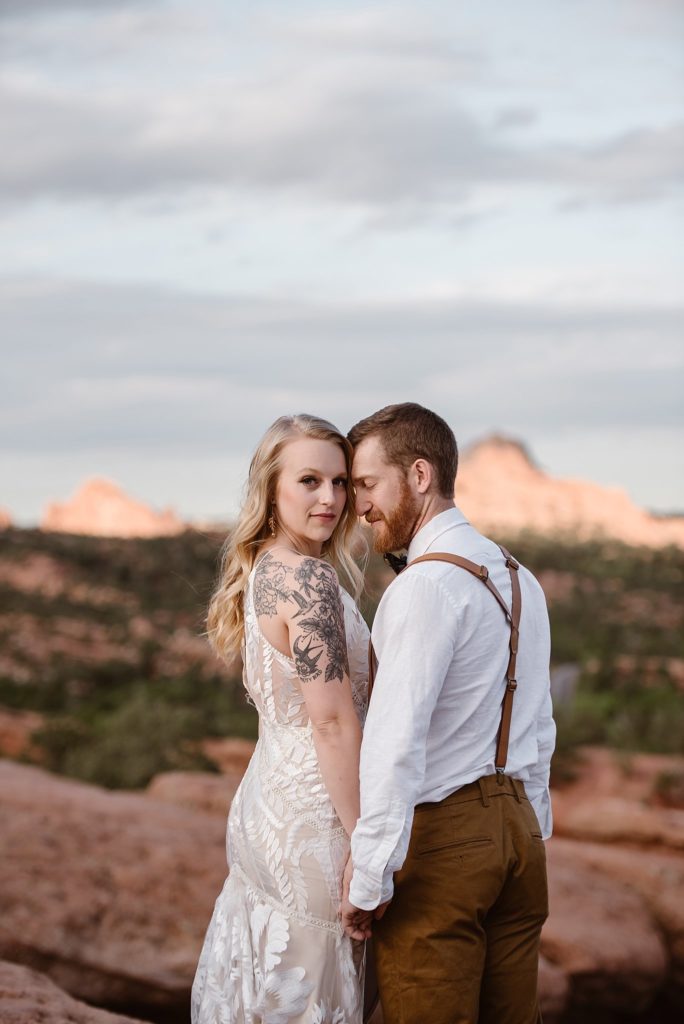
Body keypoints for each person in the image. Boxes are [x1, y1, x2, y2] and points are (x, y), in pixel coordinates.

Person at [340, 403, 555, 1024]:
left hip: (445, 844)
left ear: (419, 475)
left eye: (368, 484)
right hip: (518, 838)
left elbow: (395, 741)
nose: (361, 506)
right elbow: (540, 725)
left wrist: (370, 879)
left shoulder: (423, 588)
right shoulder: (521, 579)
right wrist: (531, 826)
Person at [192, 414, 370, 1024]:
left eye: (342, 483)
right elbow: (331, 724)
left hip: (268, 802)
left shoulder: (264, 569)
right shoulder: (310, 581)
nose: (330, 498)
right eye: (310, 481)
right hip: (319, 816)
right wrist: (368, 844)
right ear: (272, 490)